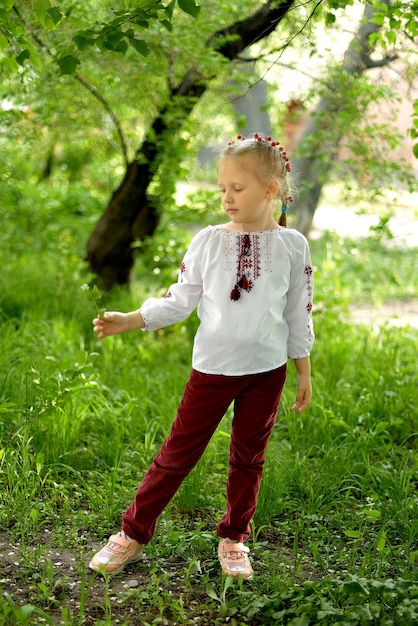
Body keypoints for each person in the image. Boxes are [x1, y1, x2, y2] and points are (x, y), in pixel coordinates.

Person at [89, 133, 314, 579]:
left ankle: (234, 538)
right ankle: (132, 533)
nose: (227, 198)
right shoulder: (209, 241)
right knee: (177, 453)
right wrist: (132, 319)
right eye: (222, 189)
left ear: (271, 190)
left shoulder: (292, 246)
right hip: (212, 370)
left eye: (238, 188)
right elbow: (179, 299)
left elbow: (297, 311)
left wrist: (302, 370)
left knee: (249, 457)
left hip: (266, 373)